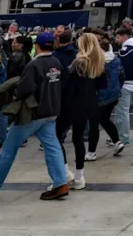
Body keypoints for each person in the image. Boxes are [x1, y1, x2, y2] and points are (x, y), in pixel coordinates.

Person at [0, 31, 70, 201]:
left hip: (32, 113)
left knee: (8, 150)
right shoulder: (56, 62)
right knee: (53, 148)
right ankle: (60, 183)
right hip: (51, 111)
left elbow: (24, 89)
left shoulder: (34, 65)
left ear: (37, 46)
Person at [55, 34, 106, 190]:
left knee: (56, 137)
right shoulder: (99, 62)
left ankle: (65, 172)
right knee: (78, 139)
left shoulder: (79, 62)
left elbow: (69, 88)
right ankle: (79, 176)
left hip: (72, 104)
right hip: (89, 103)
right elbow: (102, 85)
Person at [87, 35, 122, 160]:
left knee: (94, 124)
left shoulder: (97, 62)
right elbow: (121, 76)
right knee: (105, 120)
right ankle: (117, 142)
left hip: (99, 97)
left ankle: (91, 152)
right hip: (113, 95)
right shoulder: (116, 60)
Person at [113, 27, 133, 157]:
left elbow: (121, 68)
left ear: (124, 36)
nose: (116, 40)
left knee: (122, 112)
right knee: (124, 111)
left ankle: (123, 137)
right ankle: (120, 135)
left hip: (126, 83)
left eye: (118, 37)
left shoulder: (126, 50)